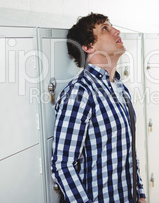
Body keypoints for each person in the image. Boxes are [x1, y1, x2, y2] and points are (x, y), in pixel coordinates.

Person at [51, 13, 147, 203]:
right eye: (105, 28)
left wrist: (140, 194)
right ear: (87, 47)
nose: (116, 31)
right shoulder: (79, 93)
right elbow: (63, 166)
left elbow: (128, 151)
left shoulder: (120, 88)